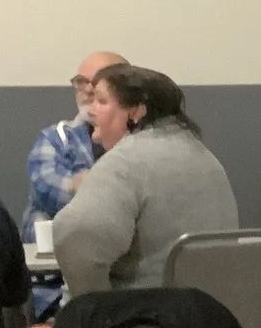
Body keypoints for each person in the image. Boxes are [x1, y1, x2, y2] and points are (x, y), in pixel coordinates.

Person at [53, 66, 238, 295]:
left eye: (101, 101)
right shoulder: (207, 159)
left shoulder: (124, 163)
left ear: (136, 112)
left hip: (145, 319)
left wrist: (94, 305)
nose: (91, 111)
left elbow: (76, 237)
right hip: (214, 318)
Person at [21, 50, 125, 243]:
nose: (87, 90)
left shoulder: (141, 141)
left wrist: (84, 185)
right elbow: (46, 190)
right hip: (54, 265)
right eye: (80, 81)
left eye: (97, 82)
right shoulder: (56, 138)